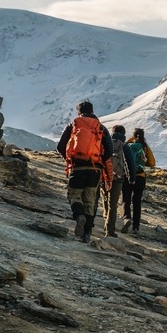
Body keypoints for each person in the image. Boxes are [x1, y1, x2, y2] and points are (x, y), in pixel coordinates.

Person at [56, 100, 113, 242]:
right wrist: (99, 162)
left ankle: (79, 215)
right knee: (90, 201)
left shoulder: (73, 124)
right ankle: (87, 233)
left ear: (79, 112)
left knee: (74, 195)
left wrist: (70, 160)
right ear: (93, 111)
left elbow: (60, 146)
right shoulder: (101, 127)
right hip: (95, 170)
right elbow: (110, 149)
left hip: (77, 167)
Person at [121, 127, 155, 235]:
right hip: (140, 177)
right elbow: (152, 163)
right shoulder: (144, 147)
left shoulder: (127, 145)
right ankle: (136, 227)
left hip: (127, 175)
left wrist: (131, 139)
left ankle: (127, 218)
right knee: (137, 201)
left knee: (126, 199)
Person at [105, 124, 136, 237]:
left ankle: (102, 220)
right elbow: (130, 163)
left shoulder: (106, 142)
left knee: (104, 200)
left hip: (104, 176)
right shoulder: (125, 146)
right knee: (113, 204)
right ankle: (110, 230)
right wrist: (132, 178)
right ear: (124, 134)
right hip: (118, 178)